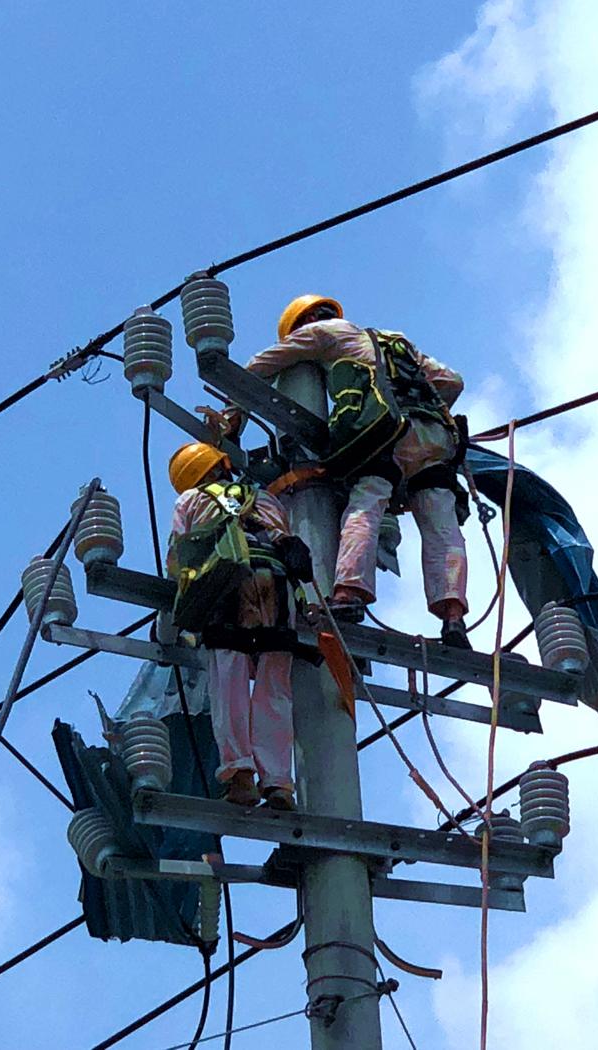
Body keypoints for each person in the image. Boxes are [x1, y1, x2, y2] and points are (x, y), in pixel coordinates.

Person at [245, 295, 472, 648]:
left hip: (384, 434)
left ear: (303, 322)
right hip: (436, 438)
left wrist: (232, 413)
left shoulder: (322, 331)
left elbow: (265, 362)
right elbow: (451, 382)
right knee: (442, 527)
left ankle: (349, 594)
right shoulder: (394, 340)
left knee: (366, 503)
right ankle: (453, 616)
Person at [166, 441, 313, 809]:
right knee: (274, 687)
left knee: (228, 682)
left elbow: (178, 558)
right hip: (275, 584)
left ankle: (241, 775)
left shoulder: (190, 502)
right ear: (221, 465)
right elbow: (285, 538)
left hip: (226, 588)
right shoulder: (261, 499)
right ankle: (278, 784)